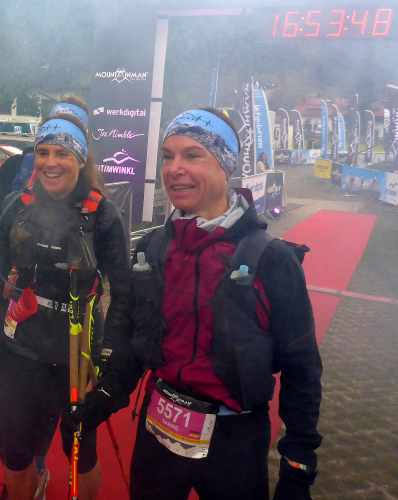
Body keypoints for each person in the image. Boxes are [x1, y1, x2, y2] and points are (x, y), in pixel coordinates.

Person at [74, 108, 322, 499]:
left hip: (234, 438)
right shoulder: (153, 246)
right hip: (158, 424)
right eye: (167, 156)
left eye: (192, 155)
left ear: (225, 166)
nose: (174, 168)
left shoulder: (272, 259)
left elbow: (301, 367)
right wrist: (105, 395)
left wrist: (298, 462)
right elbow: (136, 336)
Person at [0, 112, 132, 500]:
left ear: (80, 159)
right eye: (43, 152)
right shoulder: (15, 205)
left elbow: (123, 295)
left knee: (80, 451)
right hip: (19, 350)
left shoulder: (104, 214)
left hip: (76, 354)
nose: (51, 162)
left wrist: (105, 361)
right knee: (17, 453)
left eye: (63, 153)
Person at [0, 95, 89, 238]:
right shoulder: (17, 167)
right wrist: (8, 244)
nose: (51, 163)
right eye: (57, 124)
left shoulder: (99, 198)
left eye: (72, 129)